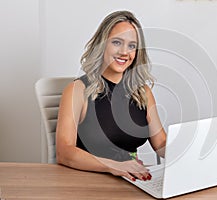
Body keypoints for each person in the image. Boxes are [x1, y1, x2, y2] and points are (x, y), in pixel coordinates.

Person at [56, 10, 166, 182]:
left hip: (131, 181)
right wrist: (113, 166)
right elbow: (64, 152)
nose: (124, 52)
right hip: (85, 182)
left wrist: (190, 151)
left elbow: (160, 144)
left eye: (131, 46)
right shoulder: (77, 91)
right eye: (116, 42)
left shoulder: (142, 92)